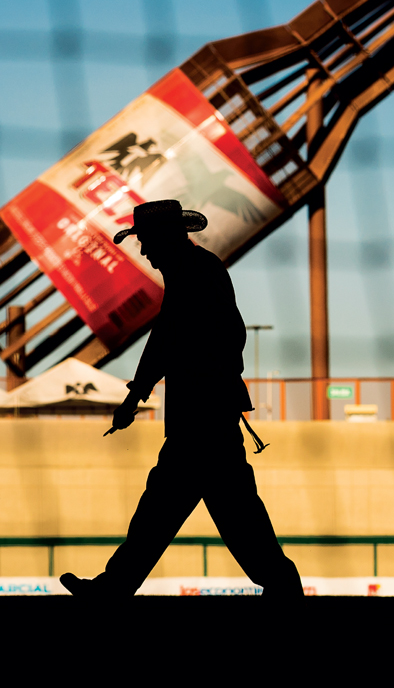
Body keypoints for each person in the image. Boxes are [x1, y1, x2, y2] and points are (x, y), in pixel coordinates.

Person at [59, 199, 303, 597]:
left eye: (147, 242)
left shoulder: (193, 274)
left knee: (172, 510)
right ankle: (282, 585)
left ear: (165, 239)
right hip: (207, 416)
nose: (145, 252)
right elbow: (178, 341)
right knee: (220, 512)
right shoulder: (198, 271)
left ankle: (113, 588)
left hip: (201, 418)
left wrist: (137, 395)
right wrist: (140, 394)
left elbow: (166, 343)